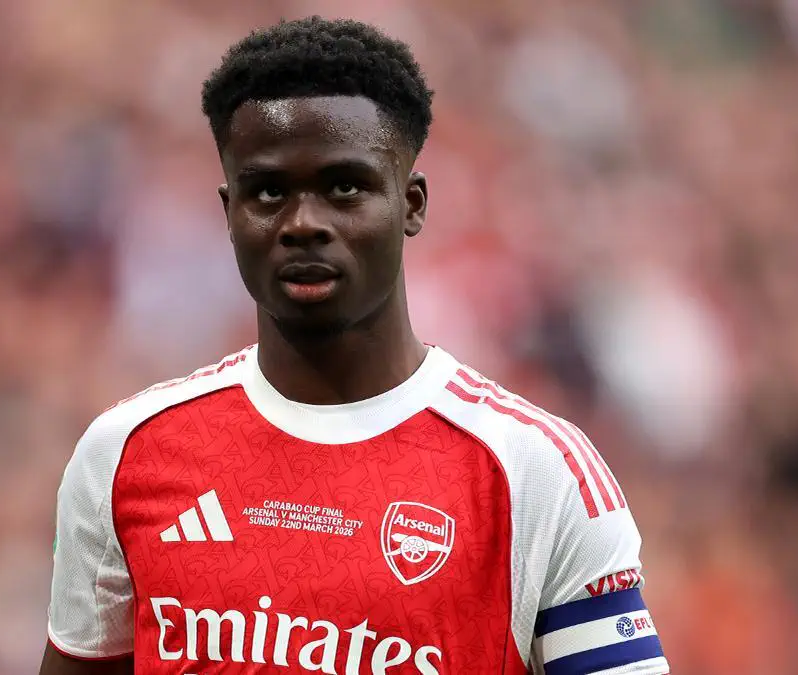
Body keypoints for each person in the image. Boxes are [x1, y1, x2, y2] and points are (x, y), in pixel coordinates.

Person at [39, 16, 669, 675]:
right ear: (229, 213)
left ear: (412, 203)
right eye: (268, 192)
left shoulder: (534, 474)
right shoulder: (126, 454)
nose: (303, 223)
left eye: (345, 187)